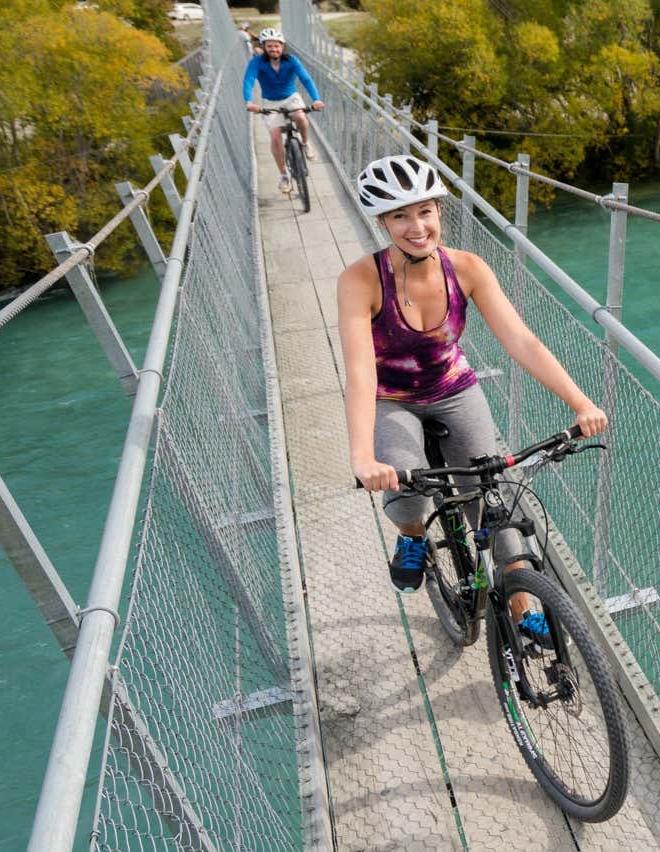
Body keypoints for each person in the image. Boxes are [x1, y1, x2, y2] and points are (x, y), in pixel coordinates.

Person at [340, 155, 608, 637]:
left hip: (452, 387)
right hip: (391, 397)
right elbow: (360, 371)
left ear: (440, 211)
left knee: (495, 499)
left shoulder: (466, 268)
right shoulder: (360, 281)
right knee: (408, 492)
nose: (416, 226)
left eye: (425, 211)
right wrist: (361, 455)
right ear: (383, 222)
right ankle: (412, 536)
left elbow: (521, 340)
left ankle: (524, 603)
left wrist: (580, 402)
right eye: (400, 215)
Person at [241, 28, 324, 198]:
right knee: (276, 136)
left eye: (277, 46)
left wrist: (316, 99)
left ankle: (306, 143)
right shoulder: (256, 62)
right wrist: (249, 101)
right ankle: (283, 175)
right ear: (264, 47)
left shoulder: (292, 60)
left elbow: (306, 79)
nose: (274, 49)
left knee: (300, 115)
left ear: (282, 46)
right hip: (270, 101)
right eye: (270, 46)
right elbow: (249, 80)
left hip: (291, 97)